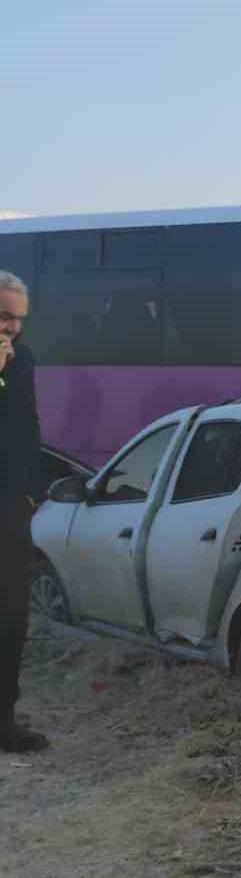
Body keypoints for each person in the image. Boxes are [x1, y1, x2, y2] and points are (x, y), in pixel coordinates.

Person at [0, 269, 47, 753]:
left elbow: (24, 427)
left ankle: (3, 721)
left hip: (7, 508)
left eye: (17, 319)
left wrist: (30, 495)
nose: (11, 328)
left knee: (10, 617)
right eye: (2, 316)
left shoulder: (23, 359)